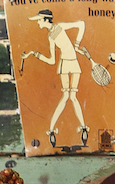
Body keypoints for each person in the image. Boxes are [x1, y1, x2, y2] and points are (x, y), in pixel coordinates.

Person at [24, 8, 89, 146]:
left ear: (46, 19)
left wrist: (77, 45)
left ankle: (83, 128)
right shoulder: (50, 37)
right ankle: (52, 129)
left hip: (73, 62)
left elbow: (81, 24)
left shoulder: (59, 26)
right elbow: (51, 60)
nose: (38, 24)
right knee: (67, 97)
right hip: (64, 63)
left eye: (39, 20)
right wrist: (33, 54)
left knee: (72, 97)